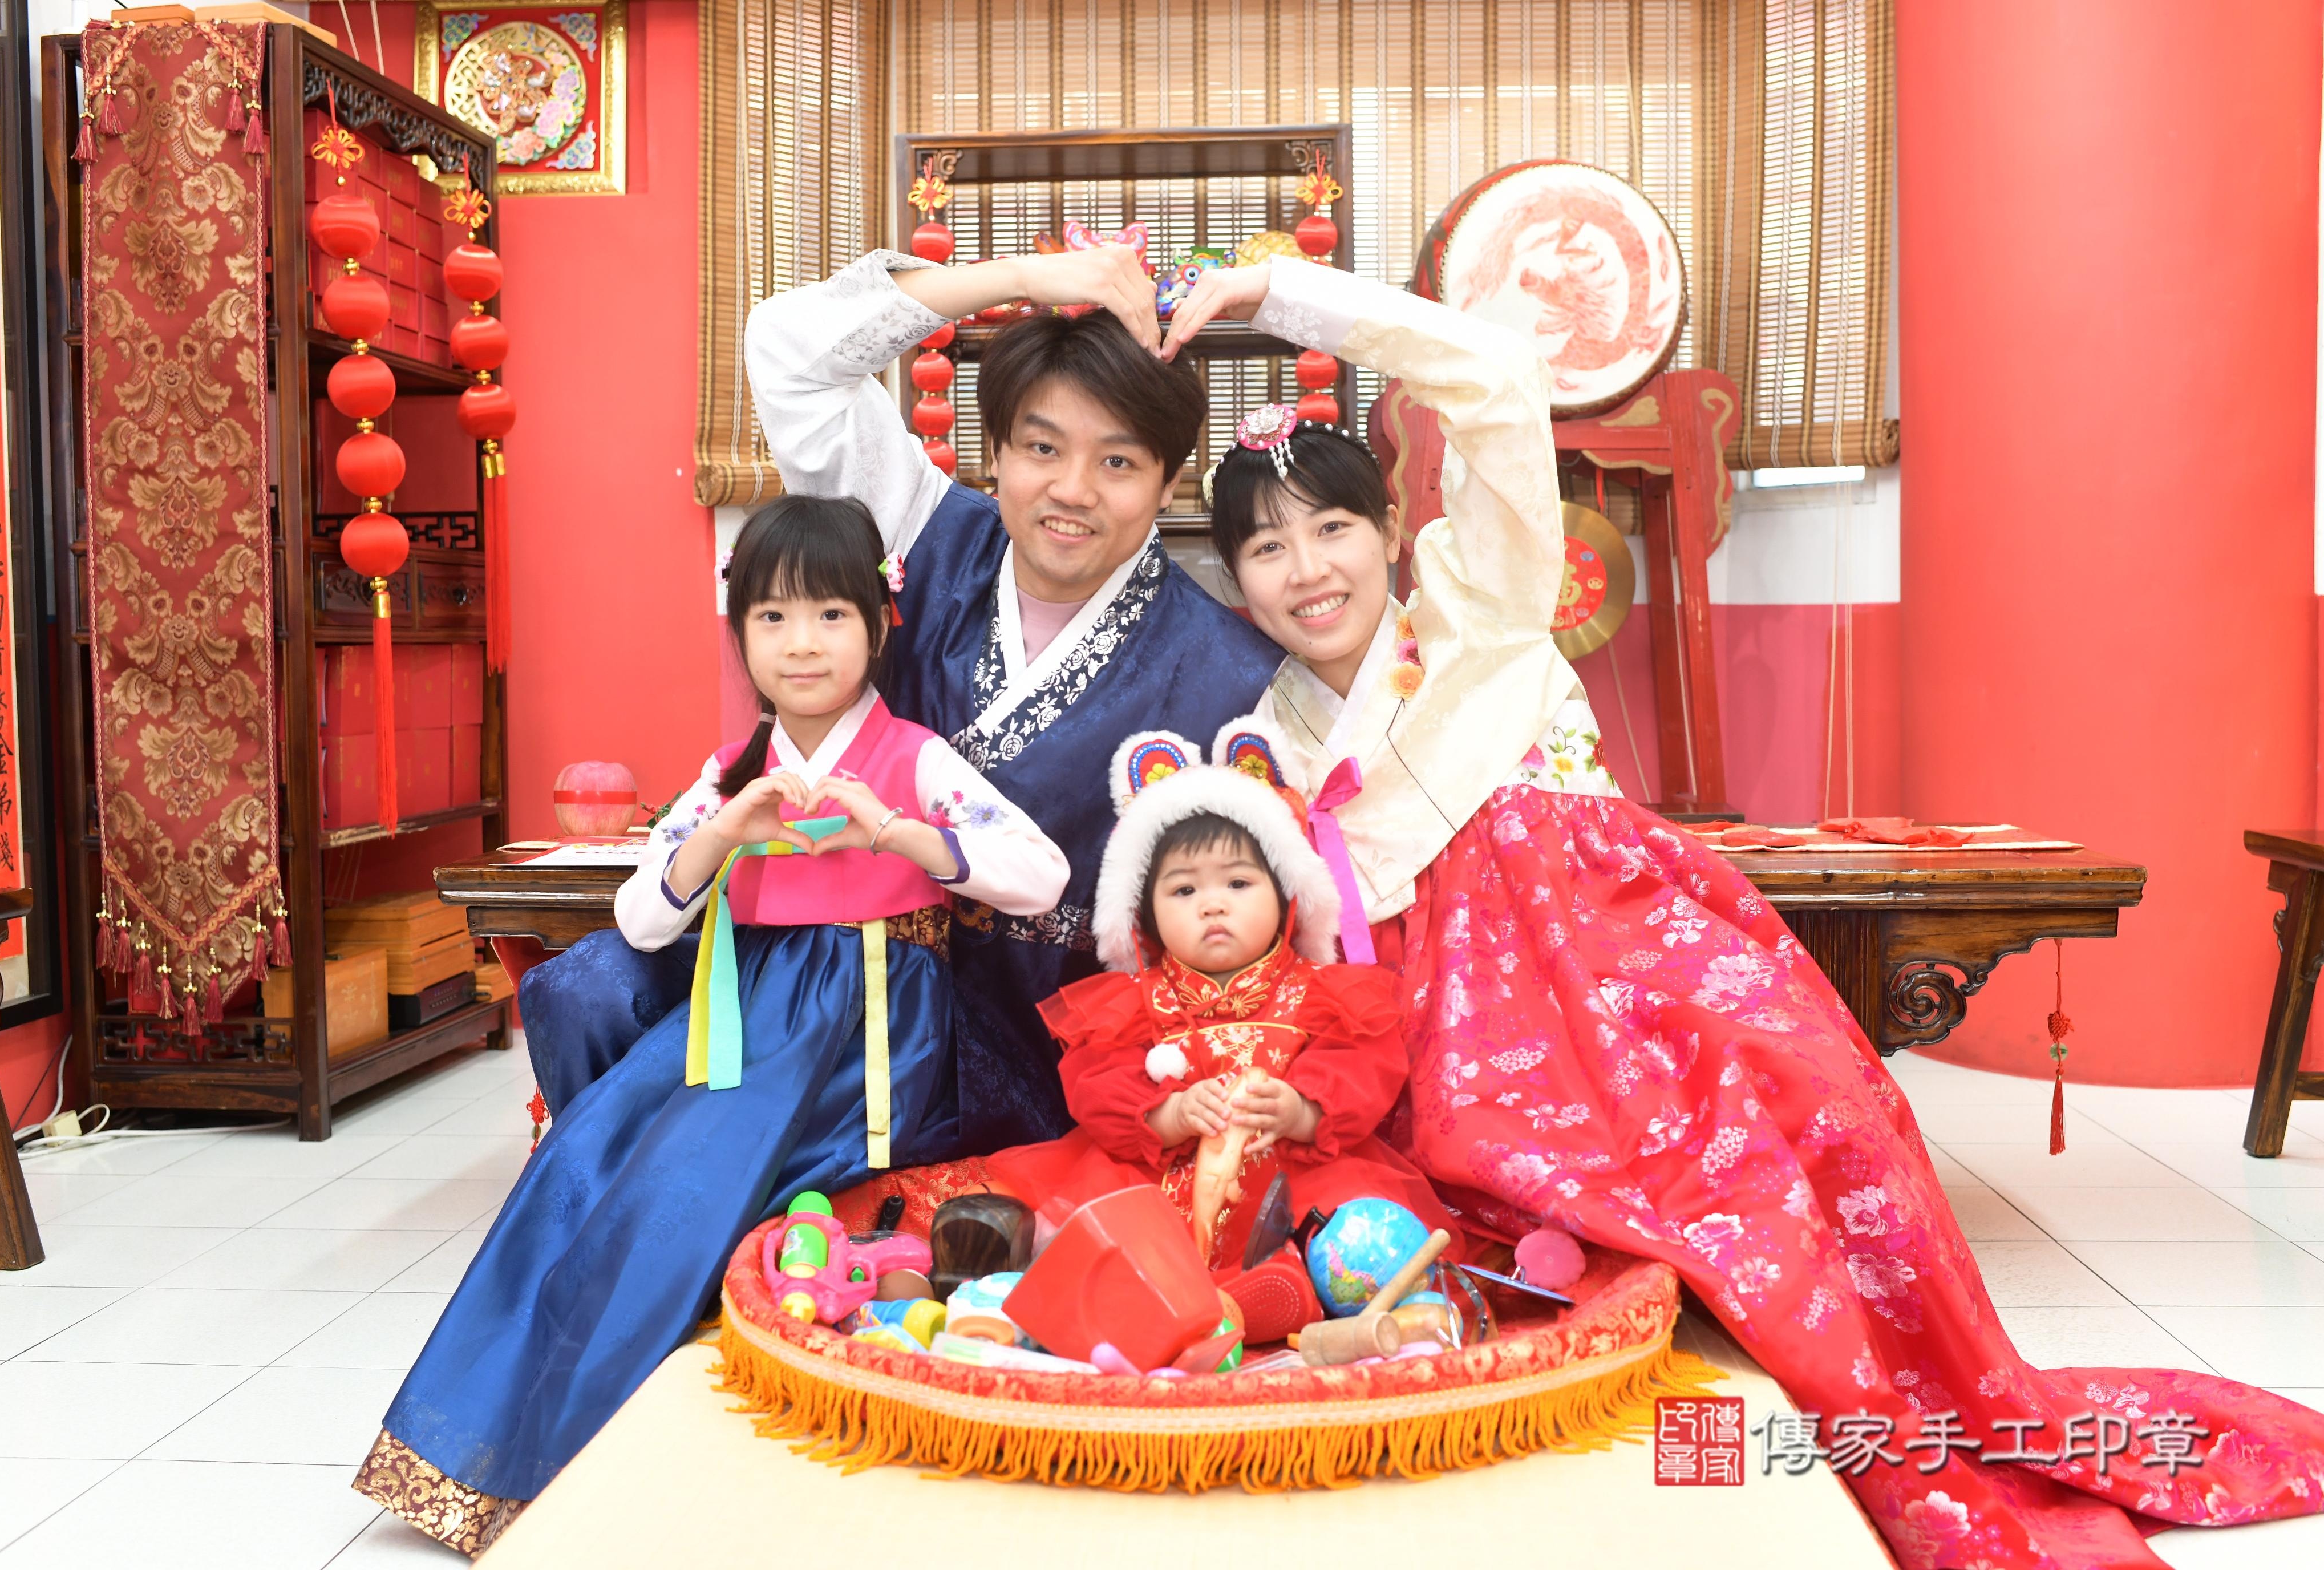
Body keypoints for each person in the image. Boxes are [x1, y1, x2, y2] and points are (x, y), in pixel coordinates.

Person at [1164, 257, 2324, 1569]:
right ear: (1236, 577)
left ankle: (1881, 1407)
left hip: (1617, 951)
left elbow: (1492, 377)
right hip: (1453, 1033)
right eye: (1265, 547)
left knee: (1804, 1111)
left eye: (1330, 528)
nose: (1306, 570)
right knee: (1514, 1231)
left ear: (1389, 528)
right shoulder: (1267, 740)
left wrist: (1279, 298)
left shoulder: (1479, 599)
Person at [354, 497, 1068, 1553]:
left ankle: (572, 1456)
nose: (802, 643)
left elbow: (1041, 873)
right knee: (586, 1154)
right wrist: (724, 831)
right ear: (741, 634)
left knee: (672, 1188)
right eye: (772, 617)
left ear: (879, 623)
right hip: (743, 1021)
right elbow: (643, 919)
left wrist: (896, 834)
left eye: (830, 614)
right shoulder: (731, 772)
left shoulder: (913, 758)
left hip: (867, 1031)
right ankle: (475, 1454)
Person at [520, 246, 1281, 1152]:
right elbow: (788, 348)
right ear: (996, 451)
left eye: (1117, 461)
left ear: (1169, 479)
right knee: (584, 990)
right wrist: (1030, 281)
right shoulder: (920, 526)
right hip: (822, 978)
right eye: (1042, 448)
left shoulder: (1231, 669)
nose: (1071, 490)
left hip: (1033, 1042)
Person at [988, 722, 1450, 1271]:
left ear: (1286, 896)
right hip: (1156, 1182)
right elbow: (1098, 1085)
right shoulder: (1130, 1004)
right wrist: (1171, 1115)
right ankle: (1155, 1292)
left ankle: (1287, 1286)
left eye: (1238, 884)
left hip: (1294, 1174)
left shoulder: (1322, 992)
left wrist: (1301, 1111)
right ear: (1145, 914)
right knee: (1088, 1244)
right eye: (1184, 890)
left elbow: (1363, 1067)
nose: (1213, 905)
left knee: (1353, 1237)